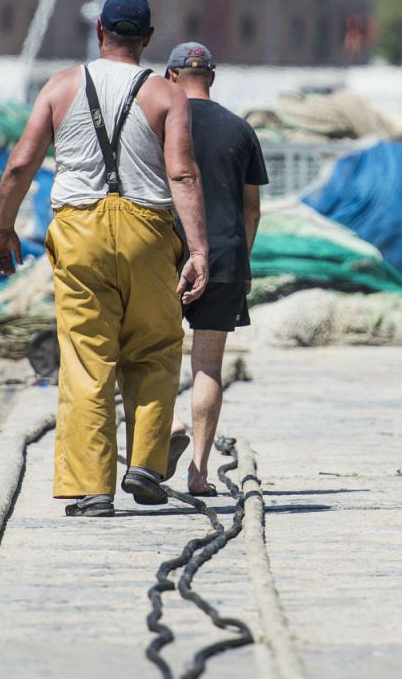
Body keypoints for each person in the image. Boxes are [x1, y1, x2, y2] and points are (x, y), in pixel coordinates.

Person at [0, 0, 210, 518]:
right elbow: (181, 173)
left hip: (78, 228)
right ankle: (147, 464)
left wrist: (3, 228)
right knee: (155, 348)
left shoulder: (61, 86)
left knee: (87, 358)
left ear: (100, 33)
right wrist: (198, 249)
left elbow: (21, 164)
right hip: (148, 230)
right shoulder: (164, 94)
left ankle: (91, 490)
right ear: (149, 39)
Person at [162, 42, 268, 497]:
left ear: (170, 77)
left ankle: (168, 424)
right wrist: (242, 260)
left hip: (165, 255)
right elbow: (252, 208)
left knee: (153, 354)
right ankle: (200, 472)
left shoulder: (162, 122)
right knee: (207, 366)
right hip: (225, 256)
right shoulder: (240, 129)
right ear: (213, 78)